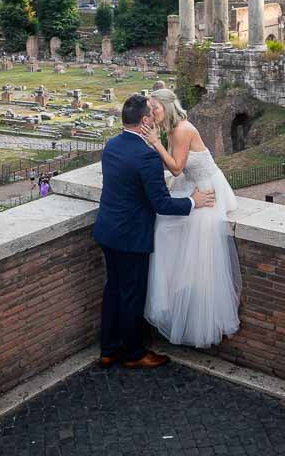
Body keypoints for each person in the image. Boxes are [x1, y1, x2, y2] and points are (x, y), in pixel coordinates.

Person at [93, 94, 215, 369]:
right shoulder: (146, 155)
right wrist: (194, 201)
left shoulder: (112, 145)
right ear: (145, 120)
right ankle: (134, 354)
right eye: (152, 114)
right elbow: (161, 203)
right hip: (132, 236)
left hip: (107, 230)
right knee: (133, 294)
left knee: (113, 289)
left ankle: (109, 349)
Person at [139, 88, 240, 349]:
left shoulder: (182, 130)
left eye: (155, 109)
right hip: (188, 184)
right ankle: (171, 296)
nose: (152, 114)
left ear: (168, 107)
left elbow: (176, 166)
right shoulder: (171, 129)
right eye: (150, 109)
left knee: (190, 237)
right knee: (162, 227)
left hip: (206, 188)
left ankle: (187, 302)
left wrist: (155, 142)